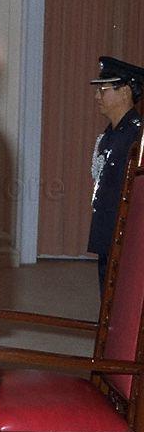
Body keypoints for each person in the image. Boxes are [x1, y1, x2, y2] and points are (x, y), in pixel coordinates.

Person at [88, 56, 143, 294]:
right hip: (109, 234)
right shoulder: (112, 134)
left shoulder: (136, 138)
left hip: (127, 239)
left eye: (104, 89)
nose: (97, 96)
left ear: (125, 92)